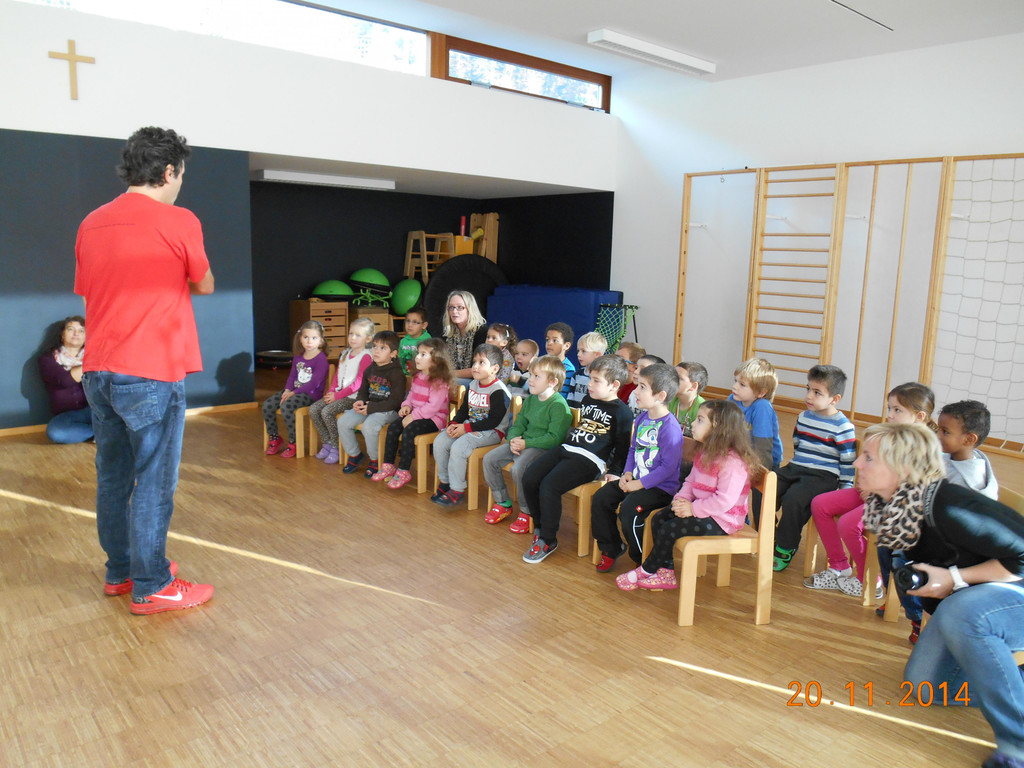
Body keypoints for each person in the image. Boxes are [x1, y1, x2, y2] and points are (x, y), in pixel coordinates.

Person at [75, 126, 214, 614]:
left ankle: (121, 571)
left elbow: (90, 289)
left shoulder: (91, 222)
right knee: (154, 481)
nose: (181, 185)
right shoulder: (180, 220)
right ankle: (153, 584)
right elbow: (204, 283)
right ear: (169, 170)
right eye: (182, 176)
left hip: (98, 369)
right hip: (152, 370)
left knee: (113, 477)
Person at [858, 422, 1024, 768]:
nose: (858, 463)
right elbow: (937, 582)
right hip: (978, 599)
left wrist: (954, 578)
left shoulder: (949, 505)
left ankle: (1017, 744)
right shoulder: (896, 509)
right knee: (926, 687)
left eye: (869, 458)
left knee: (965, 613)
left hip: (1007, 590)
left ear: (903, 468)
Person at [806, 382, 936, 636]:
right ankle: (839, 565)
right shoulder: (889, 433)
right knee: (820, 503)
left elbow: (912, 488)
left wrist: (875, 490)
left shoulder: (922, 445)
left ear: (919, 416)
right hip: (871, 493)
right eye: (890, 408)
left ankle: (870, 580)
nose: (890, 415)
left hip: (891, 502)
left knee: (848, 524)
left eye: (897, 410)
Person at [617, 399, 761, 591]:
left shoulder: (732, 463)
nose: (693, 423)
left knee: (670, 528)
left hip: (724, 519)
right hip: (703, 509)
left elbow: (724, 501)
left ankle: (647, 569)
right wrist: (681, 500)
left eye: (700, 420)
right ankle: (666, 572)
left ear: (718, 428)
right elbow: (691, 481)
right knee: (659, 518)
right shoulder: (705, 452)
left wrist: (692, 509)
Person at [520, 354, 633, 563]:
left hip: (590, 460)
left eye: (596, 381)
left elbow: (623, 446)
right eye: (590, 379)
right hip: (568, 448)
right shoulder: (588, 399)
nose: (589, 385)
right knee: (529, 477)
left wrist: (615, 471)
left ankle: (548, 540)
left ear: (614, 385)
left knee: (549, 486)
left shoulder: (623, 413)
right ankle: (540, 526)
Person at [591, 363, 683, 572]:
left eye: (642, 387)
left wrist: (639, 484)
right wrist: (627, 473)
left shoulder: (670, 428)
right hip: (635, 480)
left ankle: (645, 561)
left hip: (660, 488)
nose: (635, 392)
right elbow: (633, 450)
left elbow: (668, 467)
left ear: (660, 395)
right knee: (601, 498)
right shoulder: (642, 418)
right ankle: (611, 547)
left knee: (630, 511)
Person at [771, 364, 857, 572]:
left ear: (834, 399)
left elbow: (848, 461)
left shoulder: (843, 426)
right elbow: (798, 444)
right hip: (796, 467)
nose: (809, 396)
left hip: (823, 476)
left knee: (794, 499)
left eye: (817, 392)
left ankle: (786, 545)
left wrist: (845, 490)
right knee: (766, 487)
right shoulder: (803, 417)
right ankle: (769, 534)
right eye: (808, 389)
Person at [482, 355, 573, 528]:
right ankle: (502, 502)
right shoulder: (531, 399)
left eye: (536, 376)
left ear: (552, 382)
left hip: (543, 448)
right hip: (523, 443)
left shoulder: (559, 406)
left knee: (519, 469)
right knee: (490, 459)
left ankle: (527, 511)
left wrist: (525, 444)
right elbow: (519, 424)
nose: (530, 380)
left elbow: (554, 439)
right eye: (530, 375)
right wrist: (513, 439)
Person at [431, 344, 511, 507]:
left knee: (459, 447)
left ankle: (457, 490)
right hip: (471, 427)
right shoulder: (473, 384)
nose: (475, 366)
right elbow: (464, 410)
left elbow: (494, 421)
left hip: (492, 432)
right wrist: (454, 423)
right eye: (474, 362)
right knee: (440, 441)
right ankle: (446, 482)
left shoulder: (498, 390)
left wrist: (466, 429)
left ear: (495, 368)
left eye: (481, 363)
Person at [372, 338, 454, 490]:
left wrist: (413, 416)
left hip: (434, 419)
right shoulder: (418, 376)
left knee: (409, 432)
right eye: (418, 353)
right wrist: (406, 406)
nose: (417, 357)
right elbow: (411, 395)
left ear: (436, 360)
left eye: (423, 354)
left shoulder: (439, 381)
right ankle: (388, 465)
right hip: (416, 415)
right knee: (393, 428)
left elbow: (432, 408)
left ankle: (404, 470)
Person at [338, 330, 406, 477]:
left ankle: (375, 460)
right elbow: (363, 391)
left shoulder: (397, 373)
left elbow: (396, 401)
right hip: (369, 407)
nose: (376, 351)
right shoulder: (370, 369)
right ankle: (355, 455)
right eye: (374, 346)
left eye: (383, 348)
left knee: (369, 426)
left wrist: (371, 408)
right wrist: (359, 401)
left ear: (393, 353)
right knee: (343, 422)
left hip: (389, 411)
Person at [310, 317, 375, 464]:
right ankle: (327, 442)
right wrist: (331, 392)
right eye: (351, 333)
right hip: (339, 394)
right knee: (314, 409)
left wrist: (337, 396)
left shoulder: (366, 356)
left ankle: (336, 447)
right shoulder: (345, 353)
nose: (353, 338)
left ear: (368, 339)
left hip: (353, 398)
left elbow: (357, 384)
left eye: (358, 335)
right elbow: (337, 376)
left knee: (327, 412)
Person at [262, 321, 328, 458]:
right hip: (294, 391)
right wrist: (287, 390)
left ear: (321, 341)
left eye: (314, 338)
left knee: (286, 407)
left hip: (310, 395)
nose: (309, 341)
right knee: (267, 405)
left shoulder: (321, 359)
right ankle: (275, 438)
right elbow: (292, 376)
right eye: (306, 337)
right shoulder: (299, 356)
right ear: (300, 338)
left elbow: (314, 383)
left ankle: (294, 442)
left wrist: (293, 392)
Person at [38, 315, 93, 444]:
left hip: (96, 410)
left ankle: (104, 432)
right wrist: (92, 362)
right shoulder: (47, 358)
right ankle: (101, 433)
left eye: (81, 330)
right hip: (67, 415)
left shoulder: (94, 354)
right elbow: (65, 381)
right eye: (70, 329)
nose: (76, 334)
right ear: (62, 335)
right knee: (55, 432)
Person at [727, 357, 783, 473]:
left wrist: (761, 473)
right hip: (742, 454)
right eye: (735, 381)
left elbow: (763, 447)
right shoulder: (733, 399)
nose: (735, 386)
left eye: (742, 384)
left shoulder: (762, 407)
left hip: (765, 461)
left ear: (761, 392)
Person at [938, 400, 999, 500]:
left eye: (945, 432)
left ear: (969, 439)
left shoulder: (964, 484)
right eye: (938, 429)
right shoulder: (949, 455)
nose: (938, 435)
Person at [442, 290, 488, 385]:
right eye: (451, 307)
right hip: (453, 377)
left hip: (477, 380)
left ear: (470, 309)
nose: (454, 311)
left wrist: (450, 374)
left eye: (460, 307)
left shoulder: (482, 333)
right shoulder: (448, 334)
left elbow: (478, 369)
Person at [567, 331, 608, 408]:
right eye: (578, 351)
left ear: (597, 354)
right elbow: (571, 396)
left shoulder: (602, 378)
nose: (578, 354)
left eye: (583, 351)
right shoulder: (577, 375)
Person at [544, 322, 576, 397]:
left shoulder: (568, 369)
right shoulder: (541, 363)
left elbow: (561, 396)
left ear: (566, 346)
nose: (549, 343)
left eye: (555, 340)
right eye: (547, 339)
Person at [397, 307, 431, 376]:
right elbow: (399, 359)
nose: (410, 325)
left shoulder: (427, 341)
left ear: (424, 325)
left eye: (415, 322)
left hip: (422, 376)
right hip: (405, 375)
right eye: (408, 321)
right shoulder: (403, 341)